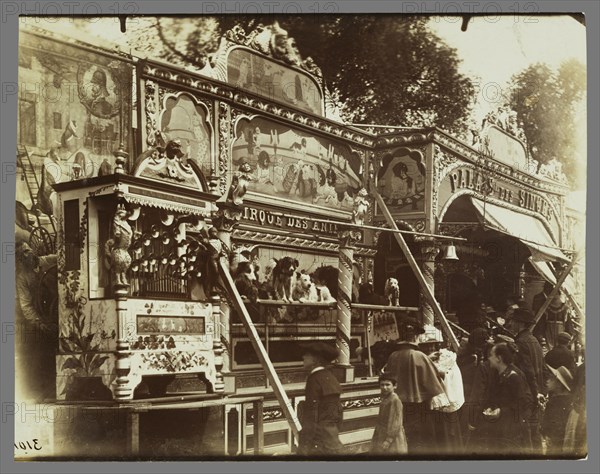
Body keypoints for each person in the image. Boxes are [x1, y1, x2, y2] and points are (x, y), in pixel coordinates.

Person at [383, 318, 449, 455]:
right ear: (415, 336)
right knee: (422, 441)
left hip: (398, 406)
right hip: (419, 408)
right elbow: (434, 384)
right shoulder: (420, 356)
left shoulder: (393, 356)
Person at [482, 342, 533, 456]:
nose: (489, 358)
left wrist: (501, 411)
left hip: (513, 430)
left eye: (491, 355)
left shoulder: (514, 376)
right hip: (502, 427)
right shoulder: (497, 373)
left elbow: (524, 403)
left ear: (499, 358)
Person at [507, 308, 546, 452]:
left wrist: (535, 393)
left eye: (513, 321)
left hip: (528, 392)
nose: (510, 323)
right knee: (534, 431)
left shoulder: (521, 342)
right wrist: (541, 391)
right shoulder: (534, 340)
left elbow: (528, 371)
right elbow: (543, 368)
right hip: (536, 391)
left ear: (520, 323)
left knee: (525, 434)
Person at [297, 342, 344, 456]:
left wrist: (304, 445)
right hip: (332, 436)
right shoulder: (330, 377)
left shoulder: (314, 379)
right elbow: (339, 413)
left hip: (318, 440)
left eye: (307, 355)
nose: (303, 357)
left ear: (315, 360)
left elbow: (312, 415)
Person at [370, 374, 408, 455]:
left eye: (388, 385)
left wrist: (388, 440)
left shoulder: (395, 400)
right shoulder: (385, 398)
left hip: (392, 436)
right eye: (382, 385)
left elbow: (396, 422)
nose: (384, 387)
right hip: (382, 432)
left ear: (395, 386)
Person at [541, 365, 574, 456]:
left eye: (551, 379)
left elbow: (546, 424)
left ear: (559, 384)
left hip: (554, 442)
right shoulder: (571, 400)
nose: (547, 381)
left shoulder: (553, 402)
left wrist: (546, 434)